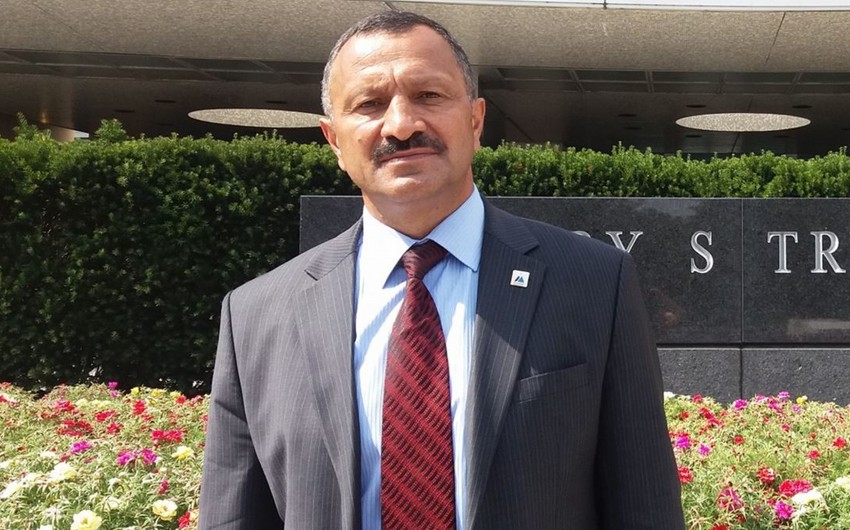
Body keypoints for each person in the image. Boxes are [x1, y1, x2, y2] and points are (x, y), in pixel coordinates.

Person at [199, 10, 685, 530]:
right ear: (334, 140)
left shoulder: (594, 283)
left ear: (475, 121)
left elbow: (645, 504)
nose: (402, 124)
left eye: (428, 95)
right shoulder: (255, 315)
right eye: (369, 104)